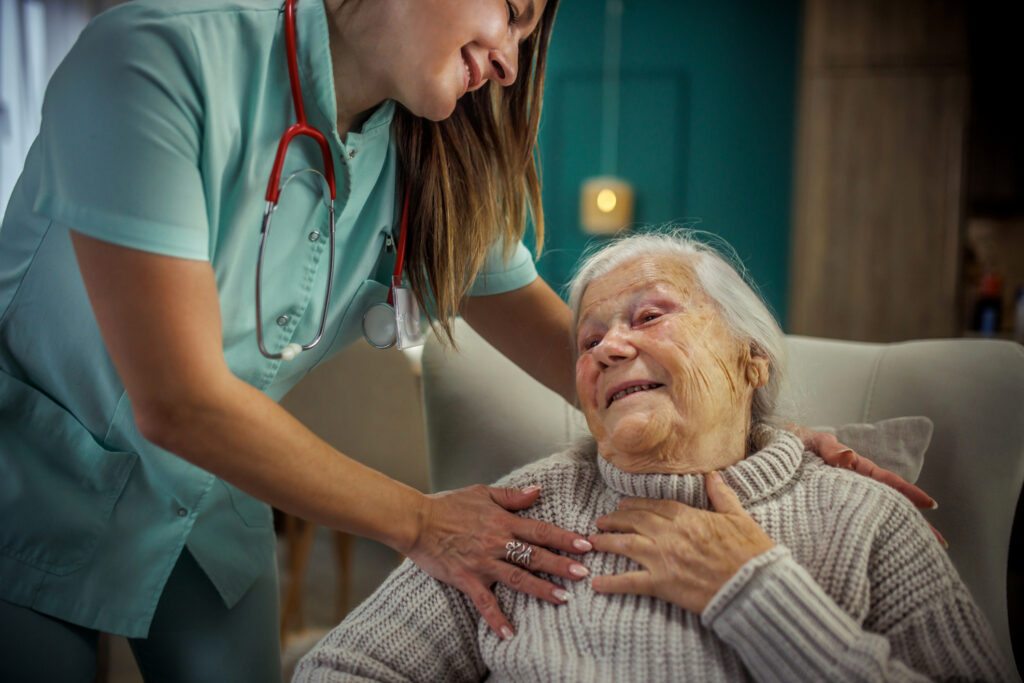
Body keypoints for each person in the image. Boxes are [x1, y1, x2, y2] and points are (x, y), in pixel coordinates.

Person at [0, 0, 930, 680]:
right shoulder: (152, 57)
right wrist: (421, 520)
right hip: (33, 478)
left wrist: (753, 422)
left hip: (206, 501)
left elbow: (576, 343)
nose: (514, 64)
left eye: (529, 37)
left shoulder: (427, 156)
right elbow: (178, 397)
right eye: (514, 14)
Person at [294, 232, 1007, 682]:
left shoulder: (863, 517)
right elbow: (342, 667)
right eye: (588, 339)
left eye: (650, 315)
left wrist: (757, 594)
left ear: (750, 358)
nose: (607, 345)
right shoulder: (522, 513)